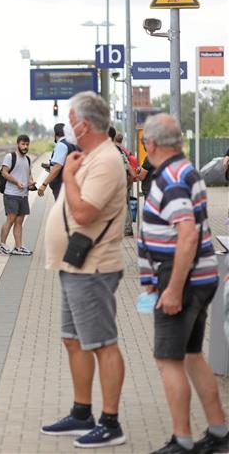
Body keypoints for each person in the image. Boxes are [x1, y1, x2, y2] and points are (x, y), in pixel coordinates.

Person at [41, 91, 128, 448]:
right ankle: (81, 413)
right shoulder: (91, 155)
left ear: (86, 124)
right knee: (73, 339)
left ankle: (110, 423)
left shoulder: (106, 160)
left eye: (73, 120)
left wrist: (71, 178)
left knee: (102, 343)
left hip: (94, 267)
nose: (68, 126)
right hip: (74, 266)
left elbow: (85, 213)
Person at [138, 114, 228, 454]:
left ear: (155, 144)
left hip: (183, 279)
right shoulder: (186, 171)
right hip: (198, 276)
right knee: (191, 356)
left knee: (169, 361)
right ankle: (219, 432)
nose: (145, 145)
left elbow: (187, 235)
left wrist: (172, 288)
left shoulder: (172, 178)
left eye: (146, 140)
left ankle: (182, 441)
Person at [0, 134, 34, 256]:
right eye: (23, 144)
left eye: (27, 144)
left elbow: (29, 174)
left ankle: (18, 247)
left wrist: (31, 183)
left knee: (19, 221)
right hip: (11, 193)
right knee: (11, 219)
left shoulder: (28, 159)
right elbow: (4, 173)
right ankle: (2, 245)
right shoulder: (10, 157)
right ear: (17, 144)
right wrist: (16, 182)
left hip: (23, 195)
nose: (25, 147)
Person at [109, 127, 137, 237]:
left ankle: (123, 229)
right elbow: (130, 169)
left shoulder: (110, 150)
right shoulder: (119, 150)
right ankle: (127, 229)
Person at [38, 122, 75, 200]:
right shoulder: (72, 143)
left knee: (62, 210)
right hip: (71, 184)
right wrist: (51, 167)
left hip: (61, 186)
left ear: (55, 134)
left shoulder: (61, 145)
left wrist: (44, 185)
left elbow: (58, 166)